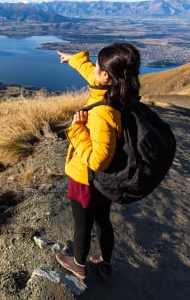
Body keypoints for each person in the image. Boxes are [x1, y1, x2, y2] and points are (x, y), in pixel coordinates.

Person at [55, 43, 141, 280]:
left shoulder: (103, 112)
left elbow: (98, 160)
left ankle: (79, 264)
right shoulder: (119, 93)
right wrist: (73, 59)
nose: (94, 69)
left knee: (82, 224)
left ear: (106, 76)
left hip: (87, 177)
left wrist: (77, 129)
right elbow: (90, 71)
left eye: (98, 67)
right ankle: (105, 263)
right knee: (102, 219)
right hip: (106, 180)